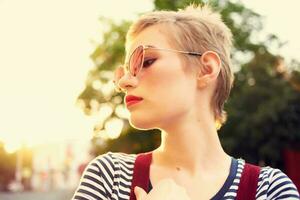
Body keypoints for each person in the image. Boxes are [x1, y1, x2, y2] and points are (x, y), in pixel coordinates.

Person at [72, 4, 300, 200]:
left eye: (146, 60)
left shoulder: (270, 189)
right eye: (125, 70)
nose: (124, 81)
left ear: (206, 68)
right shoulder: (110, 177)